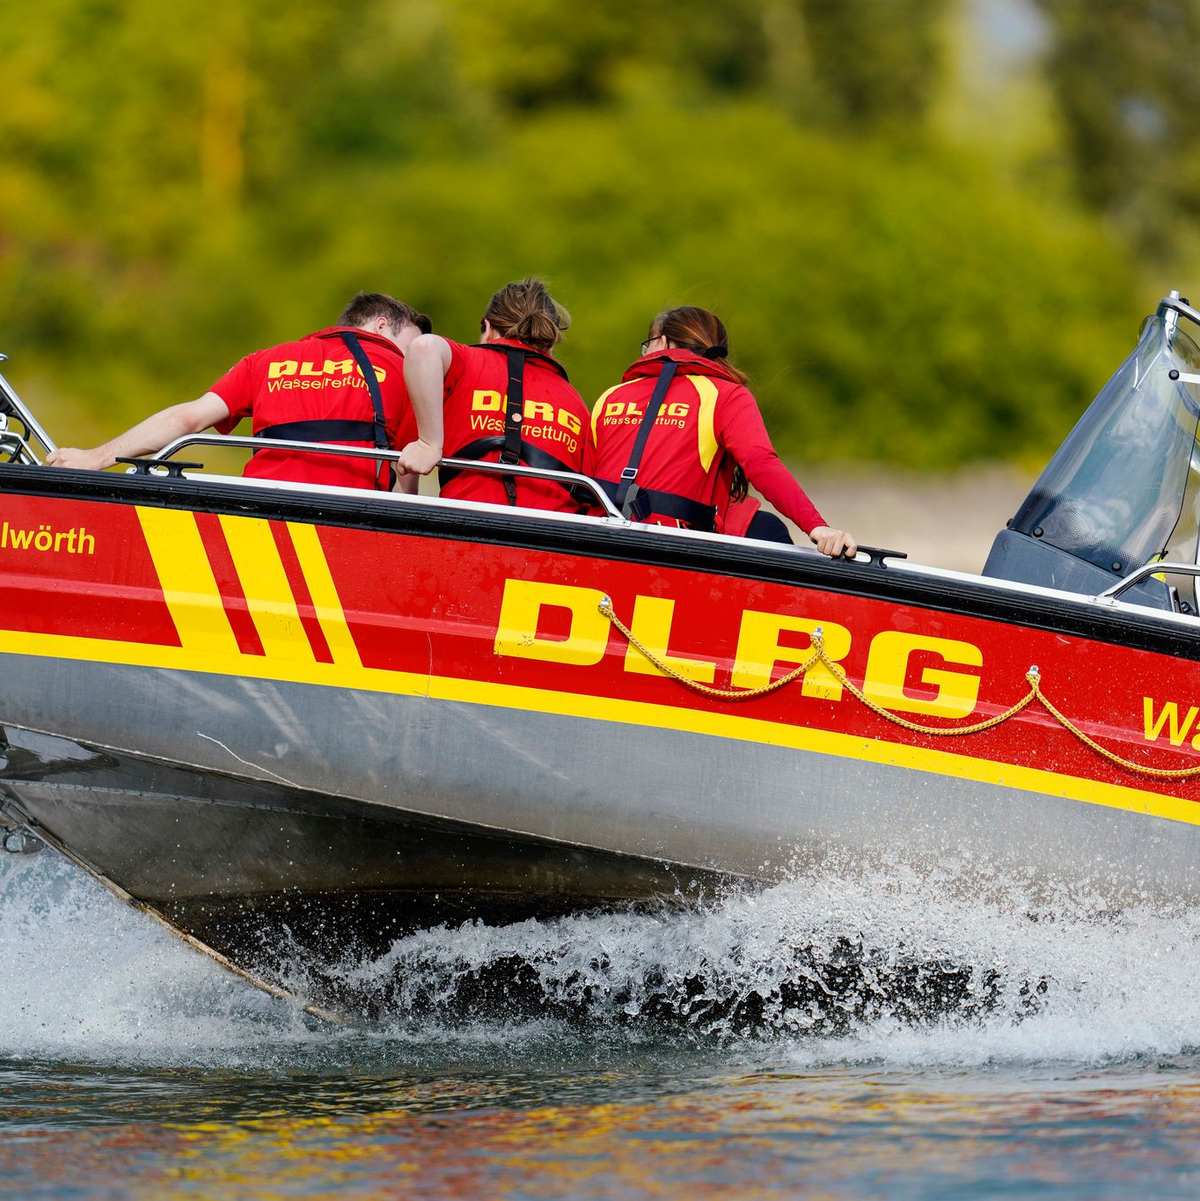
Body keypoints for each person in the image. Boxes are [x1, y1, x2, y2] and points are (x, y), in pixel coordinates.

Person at [46, 292, 435, 492]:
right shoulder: (404, 372)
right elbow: (408, 470)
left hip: (257, 516)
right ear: (382, 326)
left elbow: (187, 418)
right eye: (410, 342)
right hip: (347, 524)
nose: (411, 354)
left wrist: (94, 458)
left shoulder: (266, 360)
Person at [590, 306, 856, 558]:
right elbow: (761, 464)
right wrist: (816, 526)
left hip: (595, 538)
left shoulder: (610, 397)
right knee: (768, 528)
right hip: (675, 548)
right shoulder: (726, 394)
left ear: (662, 342)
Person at [396, 278, 592, 512]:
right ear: (549, 344)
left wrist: (429, 444)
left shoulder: (466, 363)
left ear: (488, 328)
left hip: (467, 530)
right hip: (548, 540)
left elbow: (423, 347)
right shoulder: (576, 402)